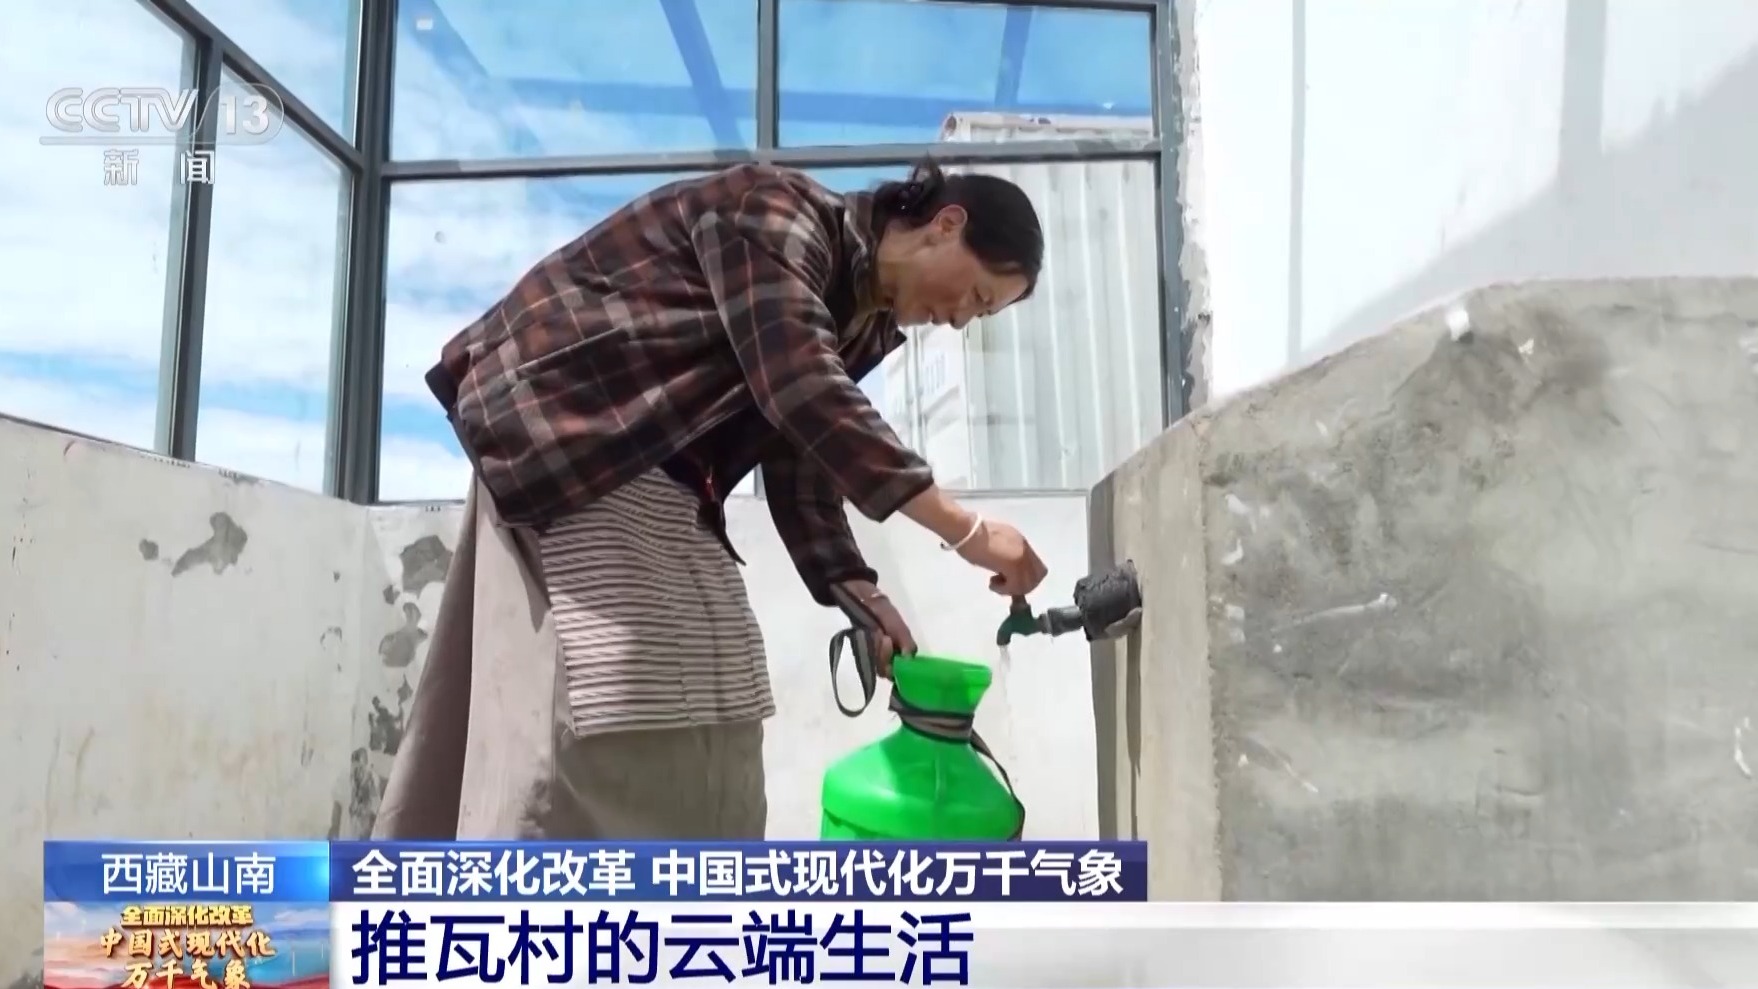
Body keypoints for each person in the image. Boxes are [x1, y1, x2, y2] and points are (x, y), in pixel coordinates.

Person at [371, 157, 1050, 841]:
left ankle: (683, 888)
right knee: (606, 691)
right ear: (946, 225)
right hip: (567, 435)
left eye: (980, 314)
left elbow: (801, 452)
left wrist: (854, 586)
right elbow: (801, 386)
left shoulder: (860, 319)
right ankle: (545, 889)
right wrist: (967, 530)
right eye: (978, 295)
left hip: (669, 475)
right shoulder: (774, 209)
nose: (961, 320)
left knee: (727, 690)